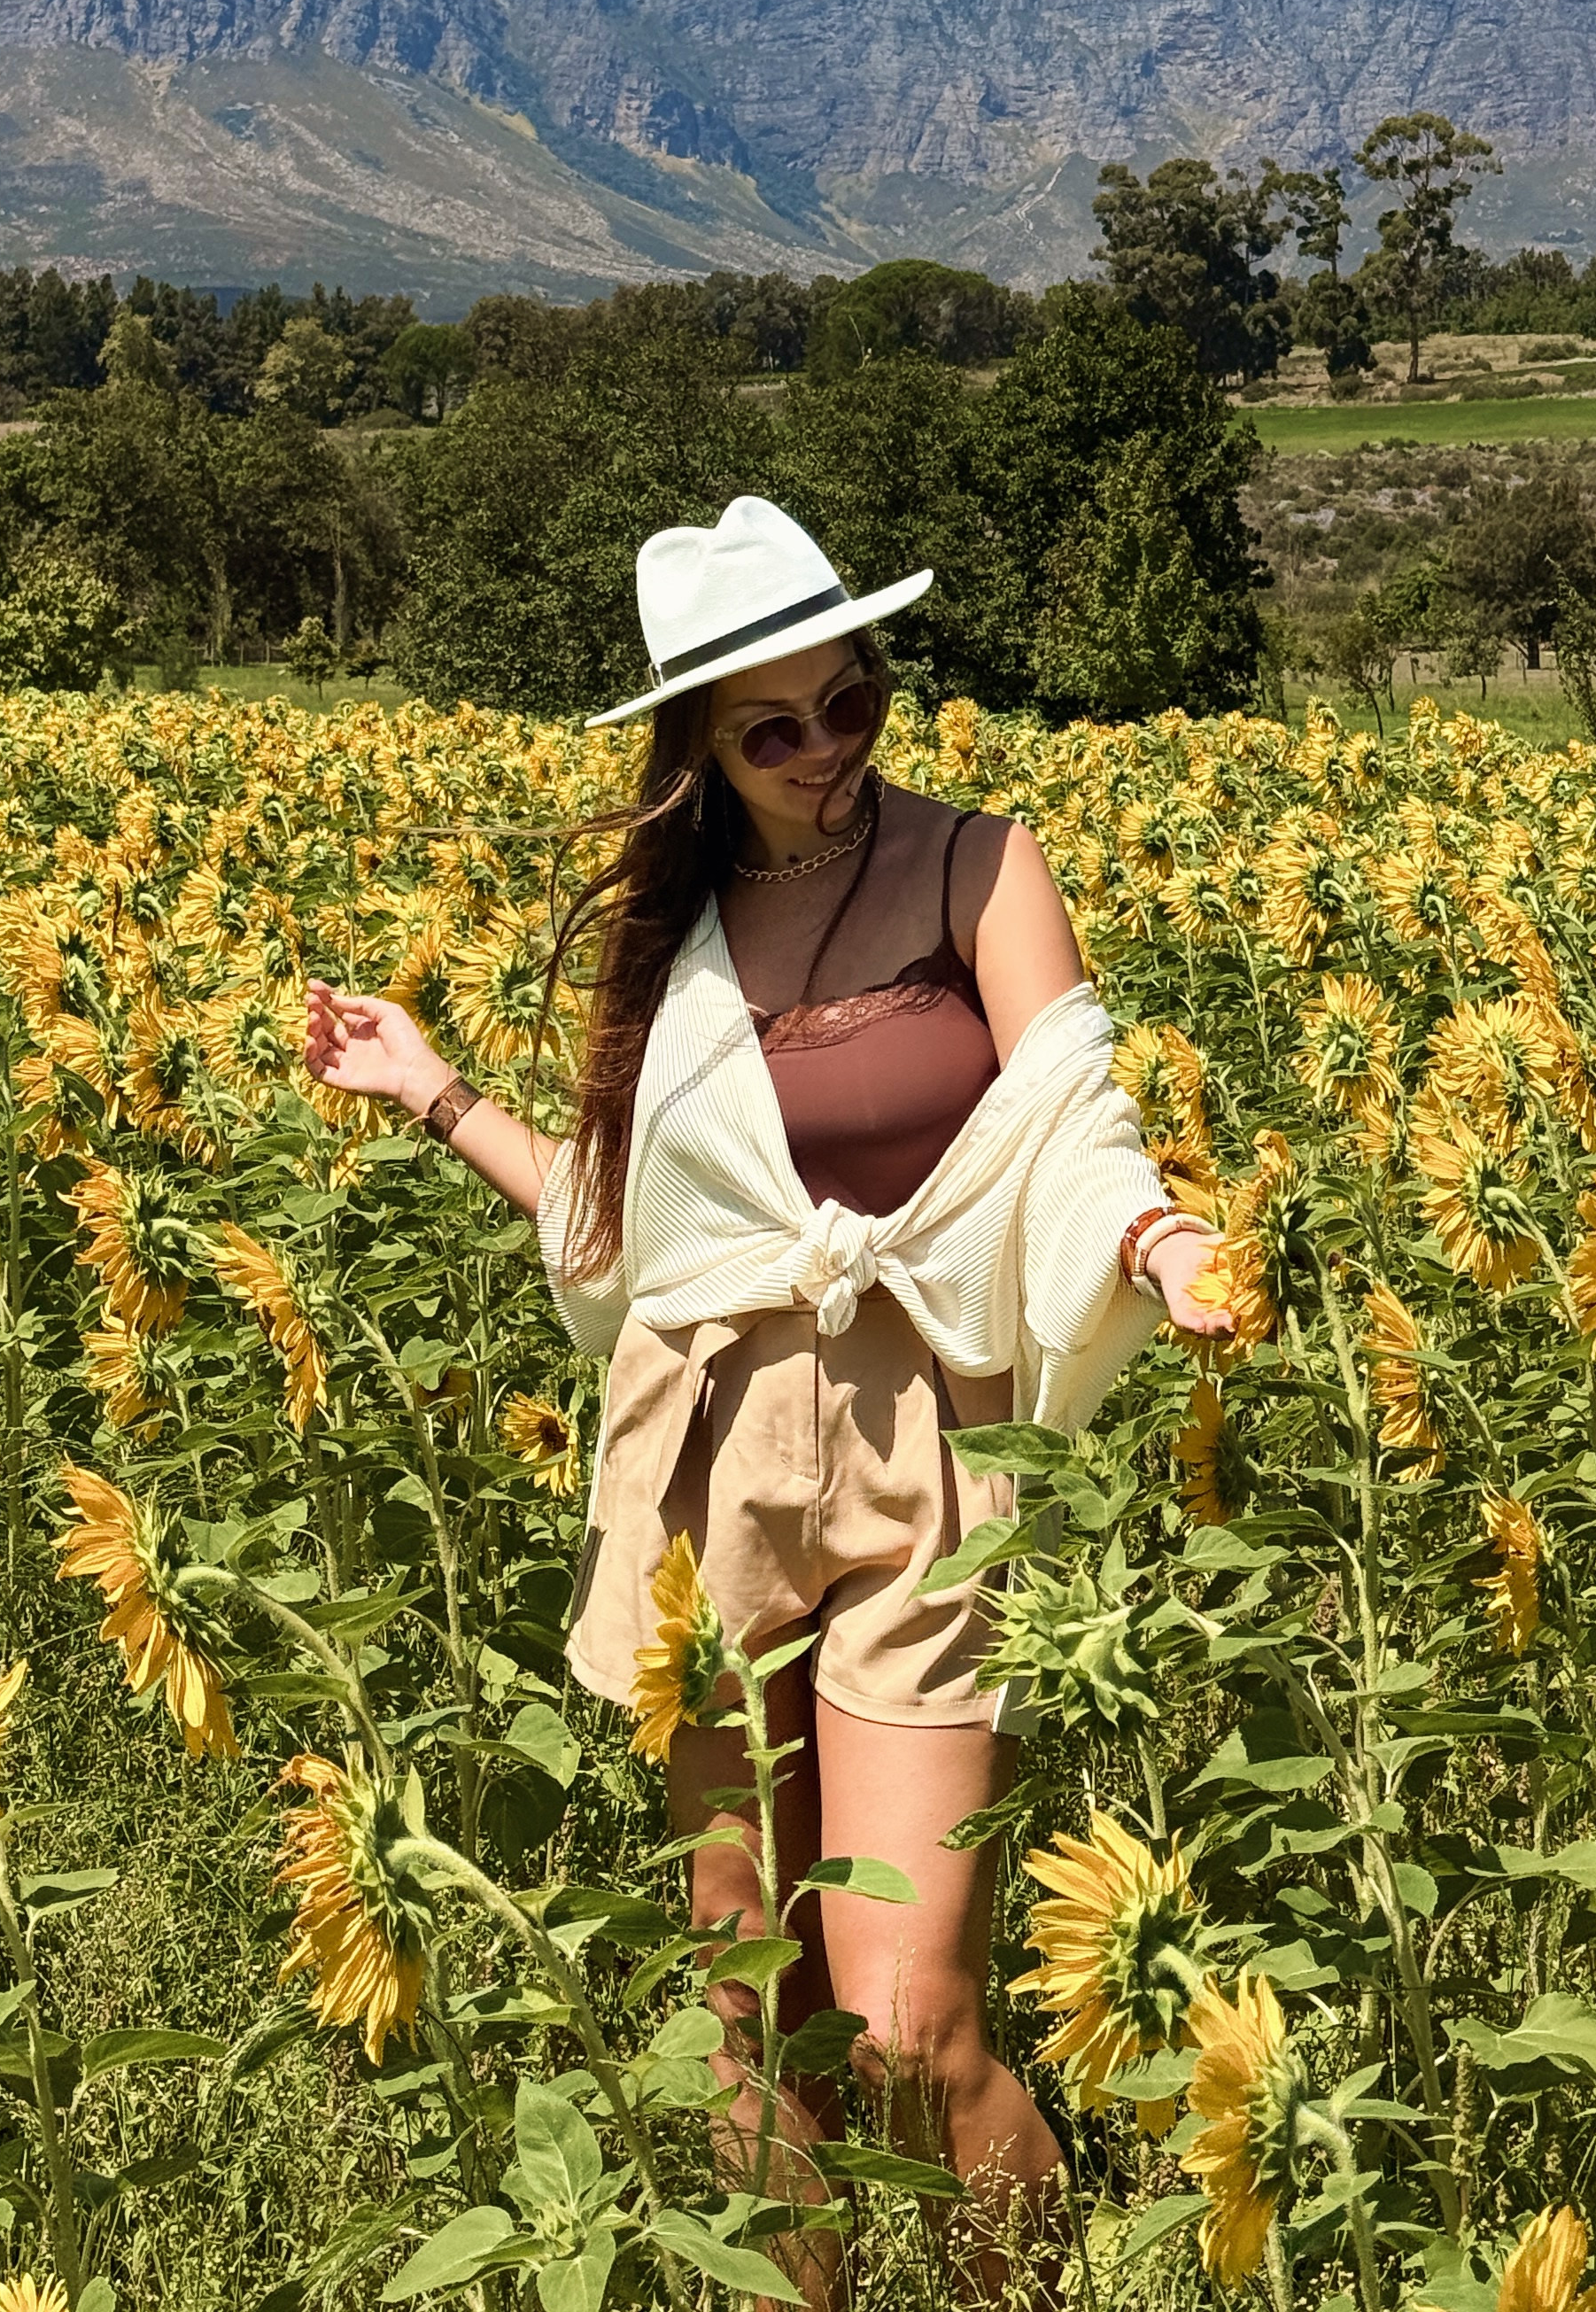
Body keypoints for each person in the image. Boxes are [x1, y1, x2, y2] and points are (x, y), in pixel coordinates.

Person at [303, 497, 1224, 2272]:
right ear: (701, 753)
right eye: (771, 731)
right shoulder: (674, 940)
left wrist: (1159, 1246)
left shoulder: (978, 864)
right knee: (747, 2008)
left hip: (928, 1457)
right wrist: (433, 1093)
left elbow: (1074, 1119)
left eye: (850, 705)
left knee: (904, 2017)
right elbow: (634, 1228)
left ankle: (1022, 2289)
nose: (825, 756)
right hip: (711, 1461)